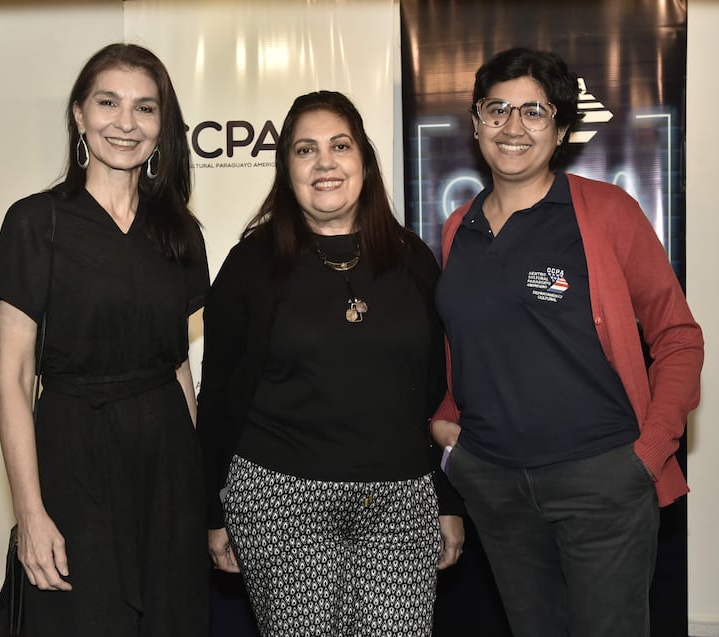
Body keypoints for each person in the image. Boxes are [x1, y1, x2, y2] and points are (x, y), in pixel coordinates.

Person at [430, 46, 704, 637]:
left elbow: (678, 336)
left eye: (534, 111)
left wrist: (650, 451)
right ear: (476, 122)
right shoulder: (459, 227)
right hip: (495, 485)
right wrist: (449, 423)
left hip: (601, 483)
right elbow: (464, 341)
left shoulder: (606, 213)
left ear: (560, 129)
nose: (513, 126)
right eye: (497, 108)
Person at [196, 90, 464, 637]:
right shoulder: (251, 265)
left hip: (401, 502)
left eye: (339, 146)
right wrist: (213, 509)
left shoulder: (413, 260)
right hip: (280, 501)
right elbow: (220, 393)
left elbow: (443, 394)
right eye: (305, 150)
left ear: (363, 159)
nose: (325, 163)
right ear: (285, 168)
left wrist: (448, 497)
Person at [0, 43, 210, 637]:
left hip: (168, 466)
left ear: (163, 126)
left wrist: (203, 493)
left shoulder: (180, 231)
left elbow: (179, 366)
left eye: (145, 108)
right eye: (108, 103)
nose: (126, 123)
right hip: (73, 457)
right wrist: (29, 512)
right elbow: (12, 379)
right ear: (79, 114)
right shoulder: (36, 223)